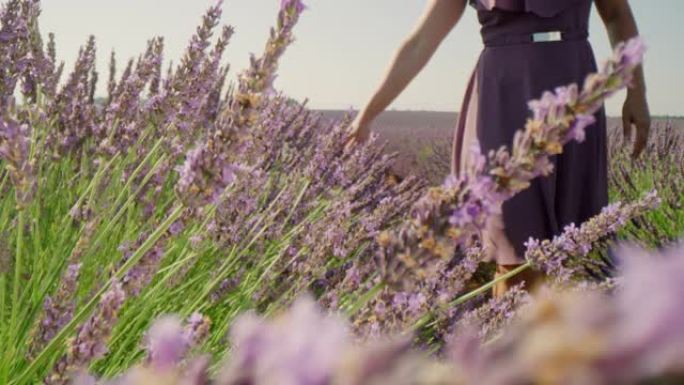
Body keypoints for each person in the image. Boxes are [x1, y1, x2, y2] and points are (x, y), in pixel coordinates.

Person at [345, 0, 650, 297]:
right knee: (516, 258)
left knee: (577, 252)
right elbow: (420, 42)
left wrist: (637, 91)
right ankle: (504, 342)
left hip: (573, 90)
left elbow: (616, 13)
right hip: (504, 101)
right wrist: (366, 115)